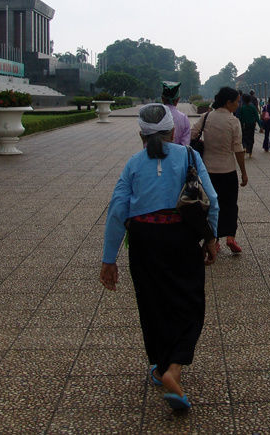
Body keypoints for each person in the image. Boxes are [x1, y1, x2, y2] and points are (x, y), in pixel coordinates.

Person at [99, 104, 220, 412]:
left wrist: (109, 259)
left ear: (141, 135)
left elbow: (117, 210)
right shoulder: (189, 156)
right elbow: (212, 199)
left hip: (144, 241)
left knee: (152, 304)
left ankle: (159, 365)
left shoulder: (134, 164)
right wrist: (211, 238)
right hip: (180, 238)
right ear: (171, 132)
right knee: (190, 303)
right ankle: (173, 370)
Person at [189, 87, 248, 254]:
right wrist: (243, 172)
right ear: (228, 102)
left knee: (209, 206)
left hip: (207, 171)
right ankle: (230, 236)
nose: (238, 104)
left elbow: (192, 134)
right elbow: (238, 149)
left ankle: (213, 240)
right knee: (230, 205)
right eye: (236, 101)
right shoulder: (233, 121)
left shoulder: (206, 117)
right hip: (228, 170)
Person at [161, 81, 190, 146]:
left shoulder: (155, 115)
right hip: (178, 155)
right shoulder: (183, 118)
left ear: (162, 98)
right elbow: (185, 144)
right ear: (178, 99)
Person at [237, 93, 259, 158]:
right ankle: (250, 152)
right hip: (252, 125)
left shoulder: (242, 107)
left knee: (244, 136)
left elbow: (239, 117)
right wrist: (261, 126)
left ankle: (244, 147)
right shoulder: (253, 107)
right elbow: (257, 117)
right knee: (251, 137)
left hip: (244, 125)